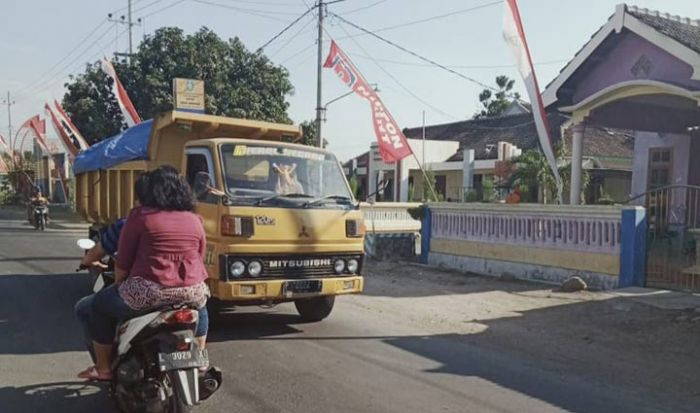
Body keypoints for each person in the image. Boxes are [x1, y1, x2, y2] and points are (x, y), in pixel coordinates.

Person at [77, 166, 210, 381]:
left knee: (99, 305)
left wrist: (120, 285)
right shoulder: (194, 219)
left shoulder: (140, 217)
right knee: (201, 307)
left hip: (149, 292)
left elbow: (124, 260)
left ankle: (102, 369)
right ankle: (200, 359)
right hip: (191, 291)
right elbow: (199, 256)